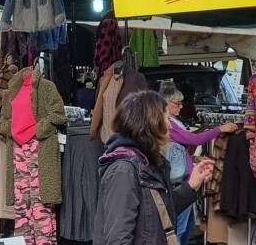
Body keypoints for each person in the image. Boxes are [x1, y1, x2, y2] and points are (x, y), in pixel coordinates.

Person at [94, 91, 214, 245]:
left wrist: (192, 184)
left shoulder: (146, 161)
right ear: (152, 123)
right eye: (166, 118)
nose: (170, 125)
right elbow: (118, 238)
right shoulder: (124, 170)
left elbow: (158, 211)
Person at [160, 82, 239, 244]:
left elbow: (180, 150)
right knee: (180, 229)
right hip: (179, 183)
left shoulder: (174, 121)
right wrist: (219, 129)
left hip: (184, 181)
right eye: (178, 103)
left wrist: (194, 159)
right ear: (167, 103)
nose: (181, 106)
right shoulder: (169, 123)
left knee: (186, 228)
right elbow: (193, 139)